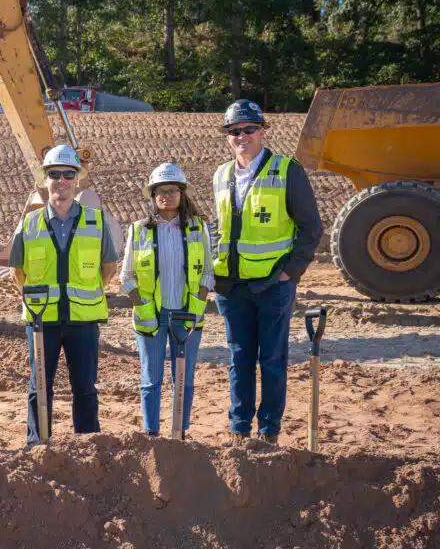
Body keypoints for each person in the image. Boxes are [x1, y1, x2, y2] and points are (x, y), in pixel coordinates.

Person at [212, 100, 323, 444]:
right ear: (227, 136)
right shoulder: (221, 175)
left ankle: (269, 431)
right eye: (234, 131)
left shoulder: (287, 170)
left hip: (273, 284)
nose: (241, 136)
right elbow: (223, 230)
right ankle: (239, 429)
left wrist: (291, 272)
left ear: (262, 130)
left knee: (272, 359)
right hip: (232, 287)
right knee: (239, 359)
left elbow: (311, 227)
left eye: (248, 129)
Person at [9, 145, 119, 445]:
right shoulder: (29, 223)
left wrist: (87, 291)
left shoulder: (95, 221)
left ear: (77, 179)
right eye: (54, 174)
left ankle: (87, 443)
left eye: (67, 174)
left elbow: (108, 266)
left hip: (82, 320)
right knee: (39, 385)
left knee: (84, 385)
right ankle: (37, 442)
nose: (61, 180)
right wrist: (32, 301)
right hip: (41, 319)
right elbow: (16, 271)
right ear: (45, 180)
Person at [120, 163, 214, 438]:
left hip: (187, 316)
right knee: (151, 379)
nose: (167, 195)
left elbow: (208, 273)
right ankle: (151, 433)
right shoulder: (138, 231)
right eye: (160, 190)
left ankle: (180, 432)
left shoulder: (198, 228)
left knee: (183, 380)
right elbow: (127, 278)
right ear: (152, 195)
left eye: (173, 189)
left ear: (182, 194)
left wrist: (197, 308)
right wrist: (144, 309)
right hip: (152, 318)